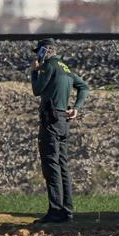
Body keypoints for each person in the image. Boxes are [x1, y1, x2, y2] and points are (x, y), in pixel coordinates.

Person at [30, 38, 89, 224]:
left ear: (44, 51)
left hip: (51, 121)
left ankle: (55, 210)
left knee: (51, 164)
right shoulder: (65, 68)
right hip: (64, 120)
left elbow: (37, 90)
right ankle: (67, 210)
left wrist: (34, 72)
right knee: (63, 165)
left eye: (38, 51)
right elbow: (84, 87)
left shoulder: (49, 66)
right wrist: (77, 107)